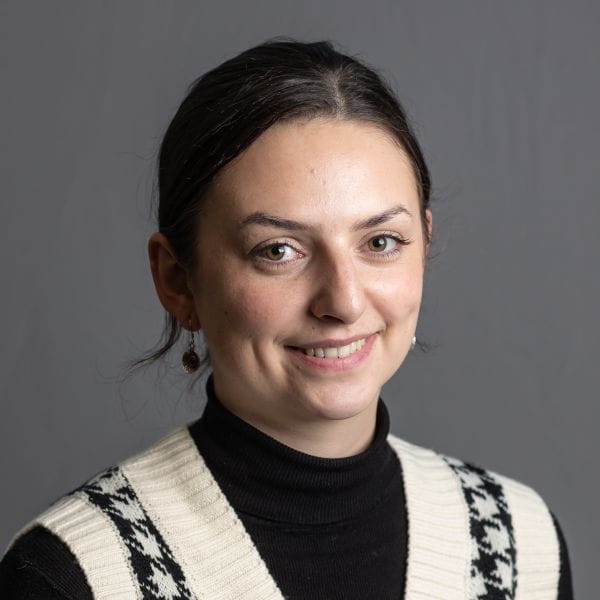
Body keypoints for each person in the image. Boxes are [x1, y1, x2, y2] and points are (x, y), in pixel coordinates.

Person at [0, 39, 573, 599]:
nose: (343, 302)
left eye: (380, 241)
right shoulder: (75, 576)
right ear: (178, 281)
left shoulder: (516, 542)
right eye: (278, 251)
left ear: (423, 244)